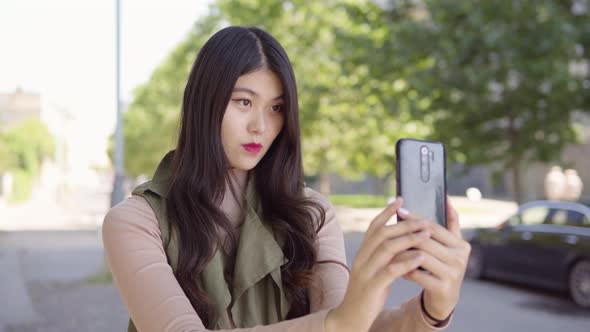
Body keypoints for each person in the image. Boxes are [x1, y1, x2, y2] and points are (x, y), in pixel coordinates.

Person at [102, 26, 471, 332]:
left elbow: (351, 322)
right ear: (204, 102)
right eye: (243, 102)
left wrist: (431, 311)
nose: (260, 126)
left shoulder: (311, 213)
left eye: (276, 108)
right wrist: (339, 323)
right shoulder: (136, 221)